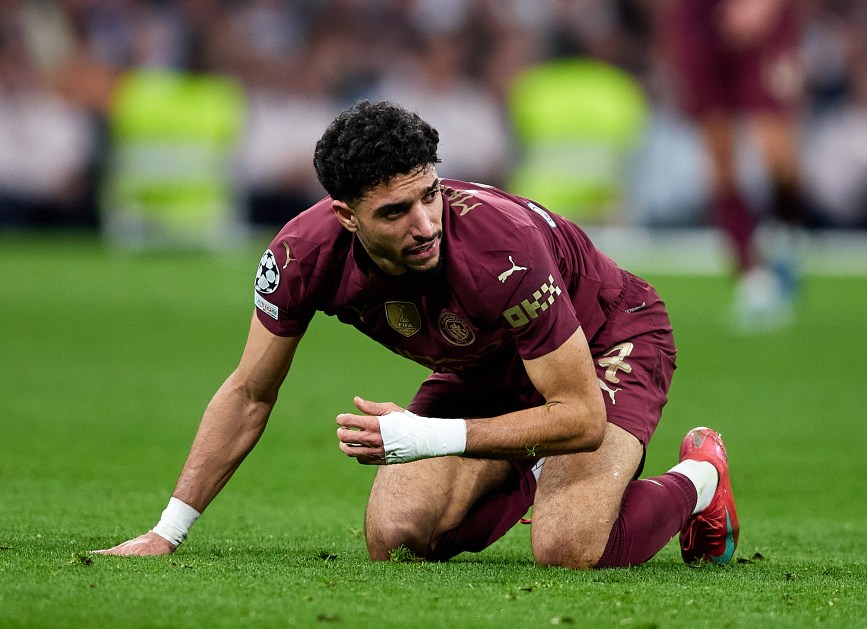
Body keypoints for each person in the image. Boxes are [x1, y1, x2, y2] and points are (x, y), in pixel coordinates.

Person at [96, 100, 738, 569]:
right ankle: (536, 465)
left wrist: (427, 436)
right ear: (346, 216)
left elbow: (579, 415)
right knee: (399, 539)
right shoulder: (301, 255)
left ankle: (700, 479)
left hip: (603, 342)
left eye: (430, 194)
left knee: (568, 547)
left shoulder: (499, 247)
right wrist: (167, 532)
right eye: (395, 211)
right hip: (486, 367)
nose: (426, 223)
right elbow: (248, 395)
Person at [656, 0, 807, 330]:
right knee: (719, 153)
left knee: (776, 142)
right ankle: (751, 277)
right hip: (695, 14)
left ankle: (785, 243)